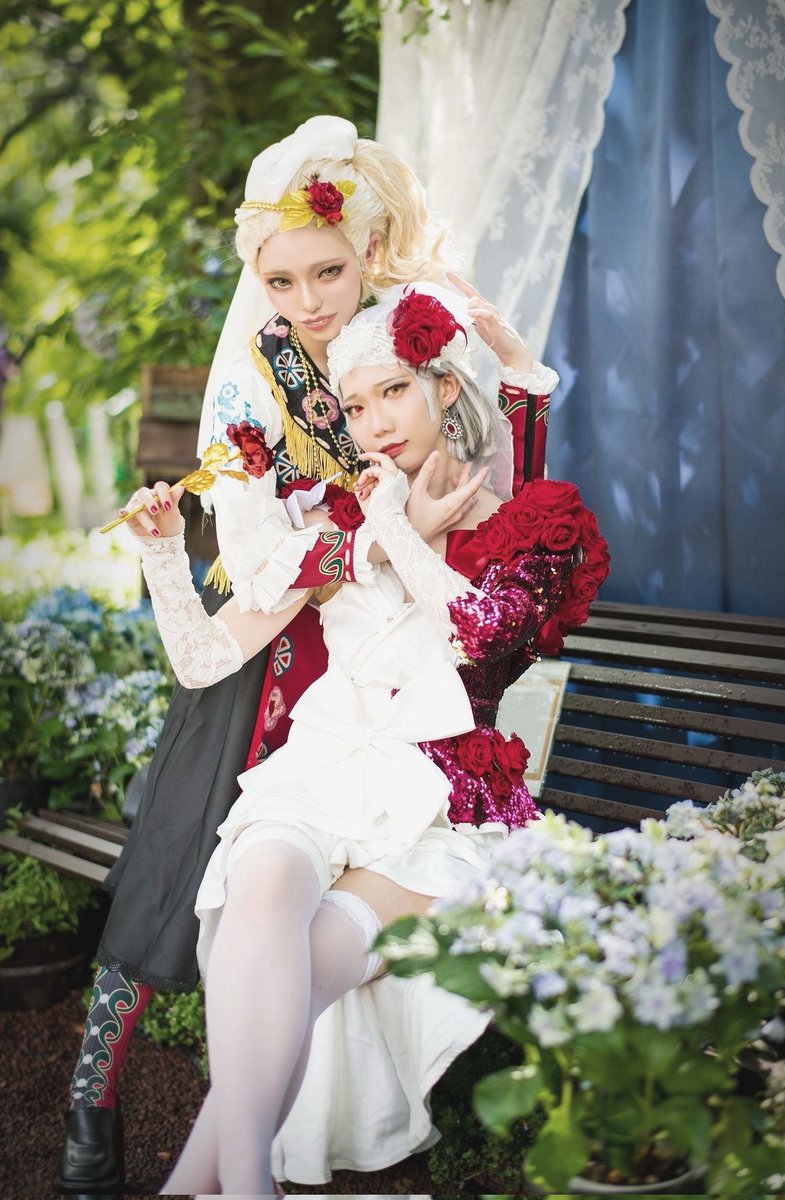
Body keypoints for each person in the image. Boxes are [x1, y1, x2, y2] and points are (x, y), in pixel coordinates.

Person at [58, 118, 560, 1194]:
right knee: (184, 847)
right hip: (289, 636)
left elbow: (504, 519)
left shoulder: (413, 340)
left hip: (409, 684)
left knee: (283, 909)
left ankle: (231, 1162)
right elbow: (242, 574)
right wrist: (302, 547)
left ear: (366, 250)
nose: (305, 300)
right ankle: (93, 1099)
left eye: (326, 272)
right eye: (280, 281)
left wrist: (518, 385)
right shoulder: (261, 367)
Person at [122, 285, 609, 1194]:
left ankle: (204, 1187)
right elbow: (201, 659)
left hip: (436, 803)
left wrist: (397, 529)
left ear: (443, 389)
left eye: (393, 391)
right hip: (320, 773)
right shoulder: (335, 531)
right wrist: (163, 552)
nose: (375, 422)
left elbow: (482, 633)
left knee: (289, 979)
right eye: (353, 406)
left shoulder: (530, 523)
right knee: (262, 887)